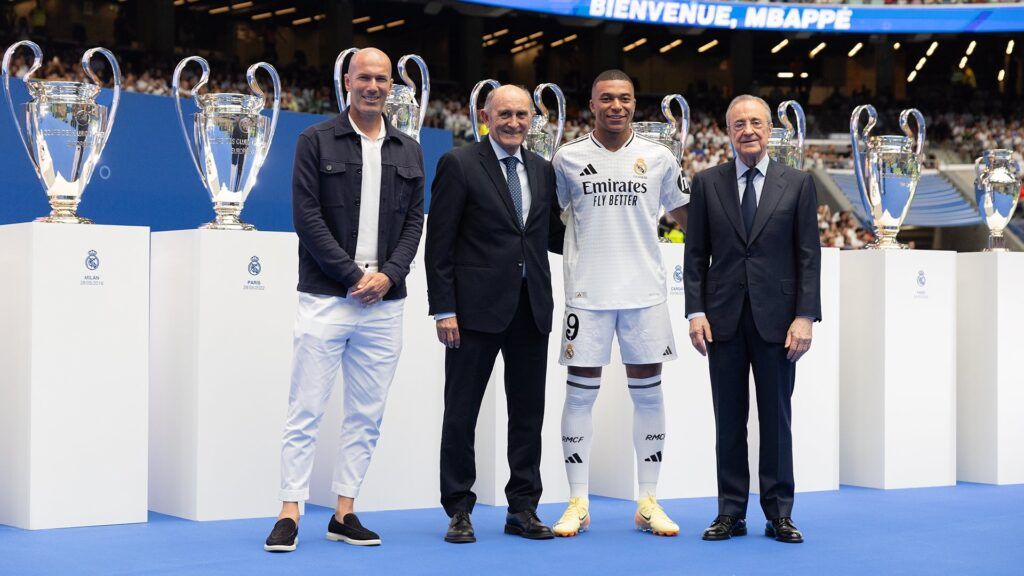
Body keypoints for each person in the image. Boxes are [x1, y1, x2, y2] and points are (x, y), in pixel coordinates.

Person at [264, 47, 425, 552]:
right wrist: (355, 275)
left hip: (386, 303)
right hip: (327, 296)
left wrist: (390, 275)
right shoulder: (314, 140)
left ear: (390, 86)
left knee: (366, 413)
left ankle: (344, 511)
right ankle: (290, 510)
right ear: (348, 82)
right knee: (306, 408)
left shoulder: (409, 148)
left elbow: (415, 219)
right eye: (365, 78)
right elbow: (306, 216)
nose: (373, 86)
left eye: (382, 79)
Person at [549, 70, 690, 538]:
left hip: (644, 295)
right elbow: (544, 221)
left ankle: (648, 499)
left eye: (624, 98)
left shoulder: (659, 157)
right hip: (586, 296)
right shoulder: (566, 158)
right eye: (606, 98)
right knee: (577, 394)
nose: (616, 106)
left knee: (648, 393)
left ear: (635, 104)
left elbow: (686, 217)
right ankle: (578, 500)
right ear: (592, 104)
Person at [426, 84, 563, 544]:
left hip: (531, 310)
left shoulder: (543, 170)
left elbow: (551, 237)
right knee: (461, 412)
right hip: (472, 312)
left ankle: (523, 508)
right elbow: (439, 243)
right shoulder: (459, 163)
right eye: (504, 113)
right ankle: (459, 509)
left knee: (528, 414)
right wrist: (444, 308)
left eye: (522, 115)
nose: (514, 122)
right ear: (485, 115)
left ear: (532, 120)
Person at [683, 94, 821, 544]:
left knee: (777, 420)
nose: (748, 130)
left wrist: (805, 317)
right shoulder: (706, 183)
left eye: (756, 122)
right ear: (727, 131)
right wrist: (695, 310)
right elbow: (695, 255)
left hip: (779, 323)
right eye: (739, 123)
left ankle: (779, 513)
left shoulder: (798, 184)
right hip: (721, 321)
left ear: (769, 130)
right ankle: (730, 512)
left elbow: (807, 257)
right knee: (729, 419)